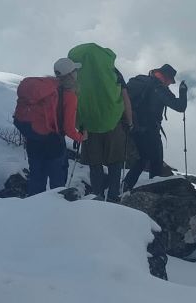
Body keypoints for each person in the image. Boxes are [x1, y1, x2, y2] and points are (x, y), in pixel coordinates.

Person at [67, 43, 132, 202]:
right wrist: (129, 121)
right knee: (115, 162)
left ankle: (97, 195)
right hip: (114, 123)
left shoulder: (76, 74)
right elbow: (125, 98)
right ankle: (113, 196)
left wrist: (77, 124)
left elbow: (72, 100)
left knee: (95, 164)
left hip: (88, 126)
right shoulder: (113, 72)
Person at [12, 58, 86, 195]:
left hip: (34, 139)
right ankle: (56, 211)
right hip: (54, 143)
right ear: (70, 74)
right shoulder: (69, 96)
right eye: (75, 70)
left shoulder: (46, 89)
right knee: (57, 183)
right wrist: (81, 137)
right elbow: (69, 128)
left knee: (36, 178)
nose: (77, 73)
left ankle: (33, 209)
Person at [122, 64, 189, 192]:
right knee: (156, 161)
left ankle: (126, 186)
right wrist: (183, 91)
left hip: (134, 126)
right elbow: (180, 107)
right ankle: (154, 191)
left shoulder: (143, 82)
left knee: (142, 158)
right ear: (166, 77)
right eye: (170, 81)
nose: (170, 84)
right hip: (150, 129)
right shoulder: (158, 88)